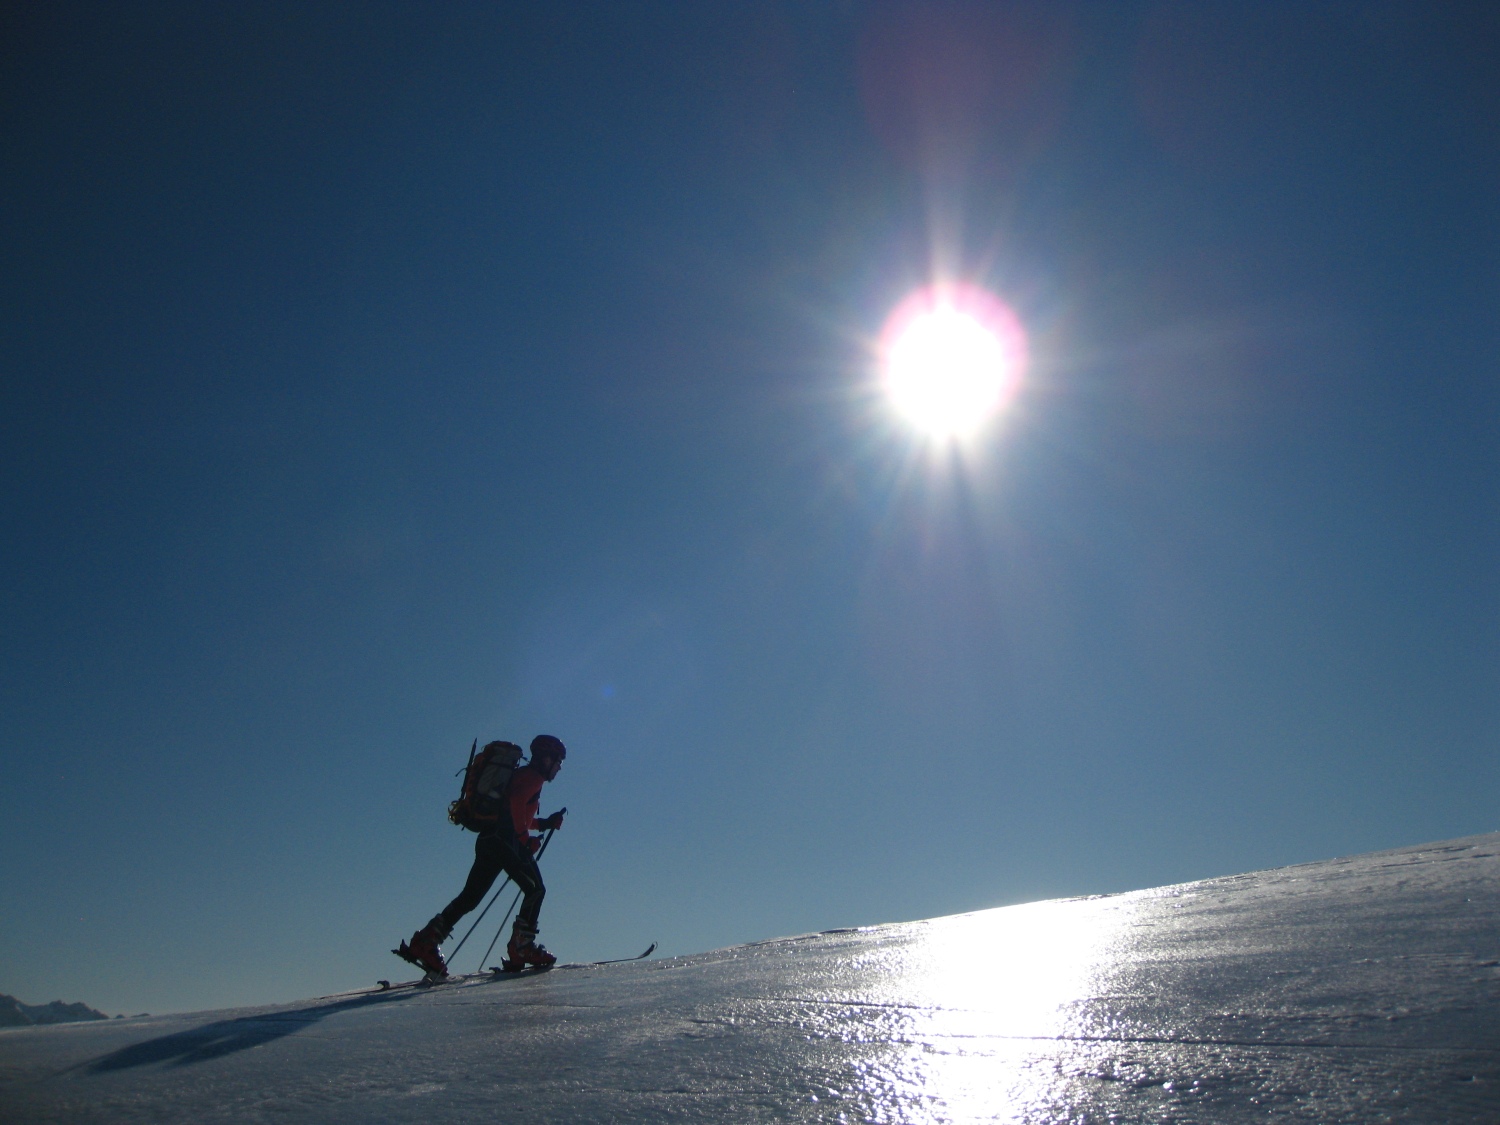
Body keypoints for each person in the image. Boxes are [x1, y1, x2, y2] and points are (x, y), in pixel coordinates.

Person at [398, 734, 567, 977]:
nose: (559, 768)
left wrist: (544, 824)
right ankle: (522, 947)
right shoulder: (533, 778)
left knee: (470, 897)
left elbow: (517, 812)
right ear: (546, 759)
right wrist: (523, 840)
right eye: (558, 761)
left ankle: (426, 940)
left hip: (490, 839)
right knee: (535, 889)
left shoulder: (522, 777)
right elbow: (517, 805)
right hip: (506, 841)